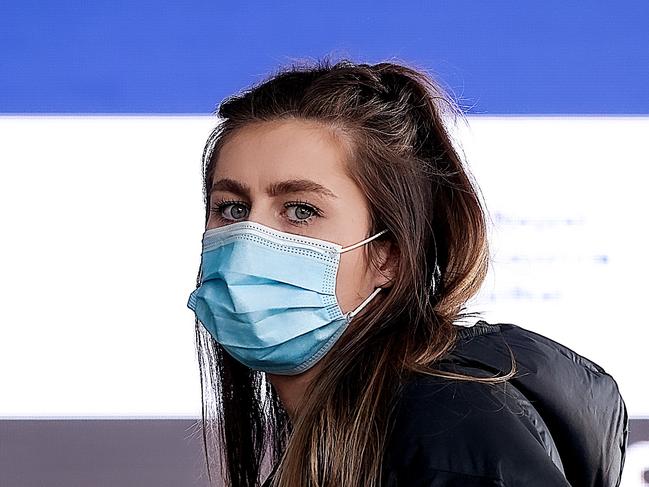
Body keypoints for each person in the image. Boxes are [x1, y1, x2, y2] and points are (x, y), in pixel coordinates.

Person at [186, 58, 628, 487]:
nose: (248, 239)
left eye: (301, 210)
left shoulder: (446, 426)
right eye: (232, 208)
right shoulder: (357, 437)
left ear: (389, 256)